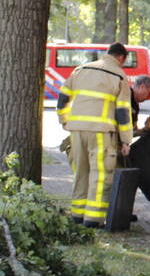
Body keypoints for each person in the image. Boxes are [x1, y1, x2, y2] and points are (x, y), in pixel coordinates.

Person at [56, 42, 134, 228]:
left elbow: (63, 98)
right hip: (100, 131)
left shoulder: (80, 69)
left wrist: (65, 121)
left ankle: (77, 214)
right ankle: (93, 218)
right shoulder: (118, 75)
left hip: (77, 130)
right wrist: (125, 140)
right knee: (100, 174)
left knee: (80, 171)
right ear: (121, 58)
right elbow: (123, 112)